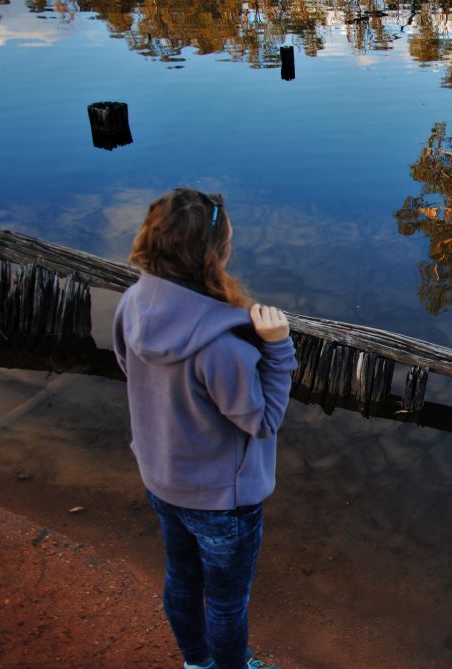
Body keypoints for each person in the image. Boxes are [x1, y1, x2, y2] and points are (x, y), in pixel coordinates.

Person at [113, 188, 297, 669]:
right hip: (221, 500)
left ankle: (196, 664)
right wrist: (278, 348)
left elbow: (127, 366)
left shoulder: (132, 303)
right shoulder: (223, 348)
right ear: (217, 254)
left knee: (180, 576)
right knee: (226, 601)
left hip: (160, 477)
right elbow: (263, 420)